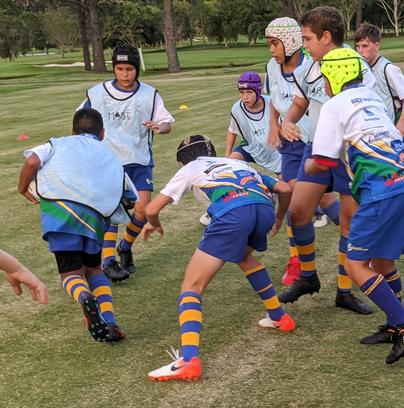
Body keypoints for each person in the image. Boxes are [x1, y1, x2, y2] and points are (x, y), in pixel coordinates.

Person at [305, 48, 404, 364]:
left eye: (325, 79)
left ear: (334, 76)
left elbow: (322, 161)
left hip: (381, 192)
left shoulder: (333, 106)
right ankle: (393, 326)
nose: (325, 86)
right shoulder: (373, 99)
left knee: (356, 265)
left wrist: (305, 169)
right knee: (383, 263)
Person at [145, 136, 296, 382]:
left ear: (180, 162)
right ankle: (280, 318)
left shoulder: (191, 168)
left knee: (192, 286)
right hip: (263, 209)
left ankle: (188, 359)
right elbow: (284, 188)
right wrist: (279, 217)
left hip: (233, 212)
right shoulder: (237, 164)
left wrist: (154, 225)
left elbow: (151, 209)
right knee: (244, 257)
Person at [278, 7, 373, 315]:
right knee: (298, 212)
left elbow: (367, 106)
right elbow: (301, 100)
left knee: (349, 224)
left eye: (307, 38)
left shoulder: (355, 63)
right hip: (316, 147)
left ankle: (344, 292)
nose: (303, 44)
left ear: (326, 37)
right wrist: (287, 121)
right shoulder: (309, 66)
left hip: (348, 154)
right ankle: (308, 277)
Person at [17, 108, 129, 342]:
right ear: (102, 133)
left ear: (72, 130)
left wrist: (22, 188)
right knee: (94, 270)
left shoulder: (56, 143)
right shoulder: (109, 154)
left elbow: (32, 161)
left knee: (70, 273)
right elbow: (129, 194)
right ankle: (110, 322)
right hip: (96, 217)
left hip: (60, 212)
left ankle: (84, 297)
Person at [79, 44, 174, 281]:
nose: (124, 74)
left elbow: (167, 123)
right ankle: (108, 261)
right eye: (120, 69)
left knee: (144, 209)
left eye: (129, 69)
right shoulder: (96, 93)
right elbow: (81, 120)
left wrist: (159, 127)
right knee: (112, 209)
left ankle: (126, 246)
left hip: (139, 160)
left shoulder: (150, 94)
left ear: (136, 70)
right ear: (114, 69)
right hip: (108, 161)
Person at [264, 16, 340, 287]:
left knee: (323, 201)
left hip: (314, 142)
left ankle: (357, 239)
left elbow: (311, 102)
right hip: (290, 144)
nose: (271, 50)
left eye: (275, 44)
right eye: (269, 44)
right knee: (296, 201)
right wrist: (275, 125)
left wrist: (292, 122)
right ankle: (297, 261)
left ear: (291, 41)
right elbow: (274, 98)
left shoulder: (314, 65)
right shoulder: (272, 67)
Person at [355, 22, 404, 150]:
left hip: (398, 122)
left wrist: (401, 123)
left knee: (400, 163)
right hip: (382, 125)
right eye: (358, 46)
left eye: (365, 46)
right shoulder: (362, 69)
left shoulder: (388, 69)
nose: (360, 50)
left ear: (376, 46)